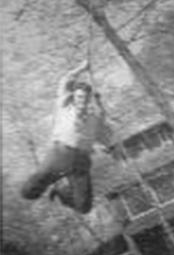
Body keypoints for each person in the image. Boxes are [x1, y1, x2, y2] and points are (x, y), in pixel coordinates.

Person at [21, 61, 112, 214]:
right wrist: (81, 68)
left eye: (84, 97)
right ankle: (54, 181)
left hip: (81, 163)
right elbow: (65, 80)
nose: (81, 100)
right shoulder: (64, 106)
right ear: (73, 96)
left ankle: (61, 191)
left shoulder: (95, 119)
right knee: (27, 192)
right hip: (59, 155)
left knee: (84, 207)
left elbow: (106, 137)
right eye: (78, 97)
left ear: (89, 98)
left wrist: (108, 146)